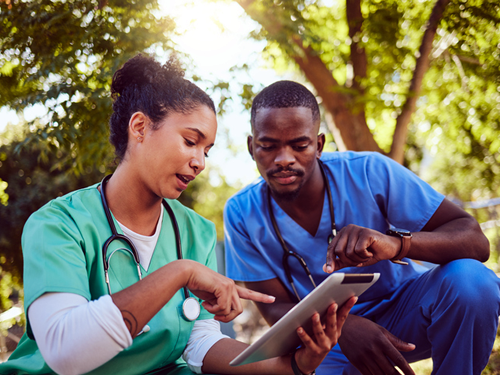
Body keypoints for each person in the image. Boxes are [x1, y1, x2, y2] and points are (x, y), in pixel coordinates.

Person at [0, 57, 355, 375]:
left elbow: (199, 343)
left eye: (207, 150)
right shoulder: (59, 225)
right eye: (190, 141)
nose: (200, 161)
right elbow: (65, 353)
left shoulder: (194, 231)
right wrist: (179, 273)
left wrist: (292, 365)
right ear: (139, 128)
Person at [223, 80, 500, 375]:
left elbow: (475, 242)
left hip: (406, 310)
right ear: (252, 147)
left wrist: (396, 243)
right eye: (268, 146)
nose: (283, 159)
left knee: (471, 282)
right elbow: (273, 307)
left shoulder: (369, 171)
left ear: (318, 145)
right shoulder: (241, 212)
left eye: (299, 145)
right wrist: (342, 327)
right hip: (326, 339)